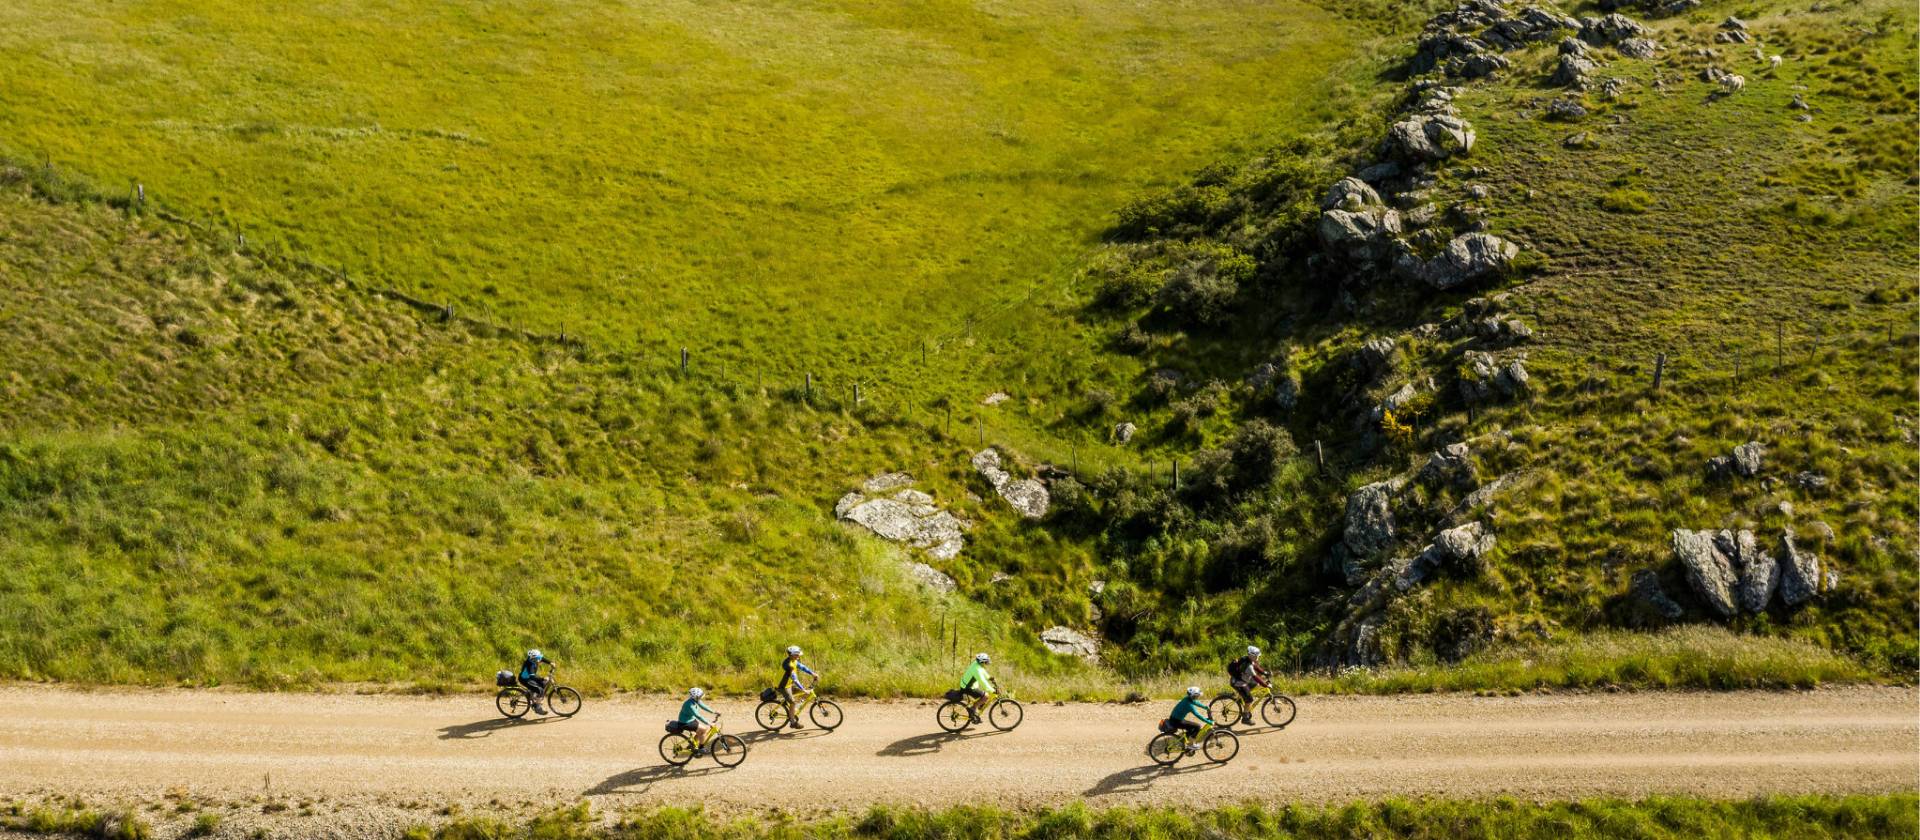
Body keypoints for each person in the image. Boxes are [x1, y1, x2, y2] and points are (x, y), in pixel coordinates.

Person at [778, 645, 819, 729]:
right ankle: (792, 722)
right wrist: (803, 689)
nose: (799, 656)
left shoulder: (793, 660)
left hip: (788, 684)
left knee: (806, 694)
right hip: (782, 686)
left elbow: (802, 667)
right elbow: (795, 679)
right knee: (793, 702)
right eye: (797, 655)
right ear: (792, 655)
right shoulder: (788, 665)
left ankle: (793, 709)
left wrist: (812, 673)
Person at [1167, 686, 1214, 751]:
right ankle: (1191, 745)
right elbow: (1198, 715)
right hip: (1176, 721)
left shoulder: (1187, 698)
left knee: (1191, 727)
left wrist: (1205, 707)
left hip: (1175, 718)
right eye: (1197, 696)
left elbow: (1196, 702)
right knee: (1197, 726)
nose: (1198, 697)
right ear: (1193, 696)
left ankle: (1184, 739)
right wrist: (1208, 721)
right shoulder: (1189, 705)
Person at [958, 652, 996, 723]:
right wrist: (992, 690)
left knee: (982, 696)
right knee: (986, 696)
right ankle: (972, 710)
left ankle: (975, 710)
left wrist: (989, 678)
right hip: (967, 687)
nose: (987, 663)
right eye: (986, 662)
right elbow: (982, 681)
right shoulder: (976, 670)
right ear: (982, 662)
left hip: (968, 685)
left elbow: (983, 671)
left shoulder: (977, 664)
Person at [678, 687, 717, 753]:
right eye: (699, 696)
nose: (701, 698)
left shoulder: (695, 700)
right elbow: (698, 716)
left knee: (701, 731)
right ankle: (701, 748)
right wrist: (709, 723)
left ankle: (692, 745)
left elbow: (703, 706)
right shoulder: (689, 705)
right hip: (685, 723)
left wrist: (714, 712)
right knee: (704, 730)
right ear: (695, 697)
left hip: (691, 720)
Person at [518, 649, 554, 714]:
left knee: (543, 684)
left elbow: (541, 658)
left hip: (530, 677)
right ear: (534, 659)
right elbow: (533, 677)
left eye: (539, 658)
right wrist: (543, 678)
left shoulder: (533, 659)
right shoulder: (530, 665)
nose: (539, 659)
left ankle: (533, 695)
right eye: (538, 658)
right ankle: (537, 708)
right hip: (525, 679)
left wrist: (550, 662)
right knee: (540, 690)